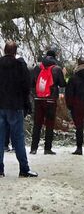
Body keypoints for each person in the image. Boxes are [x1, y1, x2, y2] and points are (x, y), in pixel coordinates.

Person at [0, 41, 37, 178]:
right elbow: (26, 86)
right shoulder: (20, 66)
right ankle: (23, 168)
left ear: (4, 51)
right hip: (15, 106)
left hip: (0, 105)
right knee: (18, 138)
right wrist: (26, 104)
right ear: (15, 52)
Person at [30, 49, 66, 155]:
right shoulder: (57, 69)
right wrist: (63, 75)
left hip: (38, 100)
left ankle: (33, 148)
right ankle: (47, 148)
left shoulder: (37, 68)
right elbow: (62, 84)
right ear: (54, 58)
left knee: (37, 124)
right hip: (50, 100)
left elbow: (32, 83)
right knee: (50, 123)